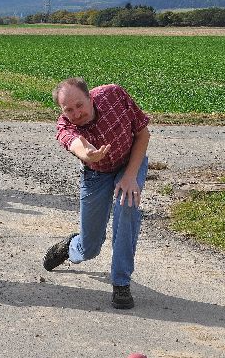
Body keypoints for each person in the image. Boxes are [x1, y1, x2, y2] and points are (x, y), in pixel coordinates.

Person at [43, 78, 150, 309]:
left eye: (79, 105)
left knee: (127, 206)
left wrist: (130, 176)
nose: (76, 113)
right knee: (89, 248)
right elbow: (74, 144)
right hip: (96, 174)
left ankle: (121, 283)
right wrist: (87, 155)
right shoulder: (65, 126)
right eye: (68, 110)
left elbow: (143, 134)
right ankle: (71, 246)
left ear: (90, 97)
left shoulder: (114, 95)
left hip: (129, 163)